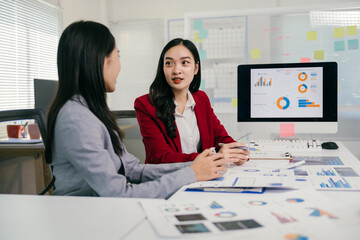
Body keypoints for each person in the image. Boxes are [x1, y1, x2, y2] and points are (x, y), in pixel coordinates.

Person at [45, 21, 231, 198]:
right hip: (86, 216)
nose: (119, 65)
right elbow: (119, 194)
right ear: (100, 61)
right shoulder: (76, 118)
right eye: (117, 56)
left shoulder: (91, 111)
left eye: (185, 63)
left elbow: (133, 170)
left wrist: (195, 167)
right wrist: (191, 173)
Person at [134, 38, 249, 164]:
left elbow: (220, 137)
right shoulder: (145, 105)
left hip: (201, 179)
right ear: (162, 68)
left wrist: (236, 150)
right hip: (168, 180)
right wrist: (216, 157)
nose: (176, 70)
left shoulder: (201, 99)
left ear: (195, 68)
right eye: (169, 63)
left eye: (184, 62)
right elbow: (161, 157)